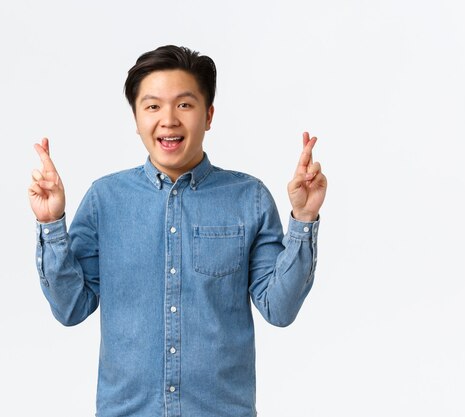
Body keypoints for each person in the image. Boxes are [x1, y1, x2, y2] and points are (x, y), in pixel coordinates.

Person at [28, 45, 327, 417]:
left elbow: (279, 308)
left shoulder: (248, 198)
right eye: (152, 106)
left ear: (209, 115)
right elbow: (70, 308)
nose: (168, 119)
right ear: (136, 118)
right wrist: (50, 224)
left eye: (184, 105)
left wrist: (303, 217)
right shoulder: (105, 199)